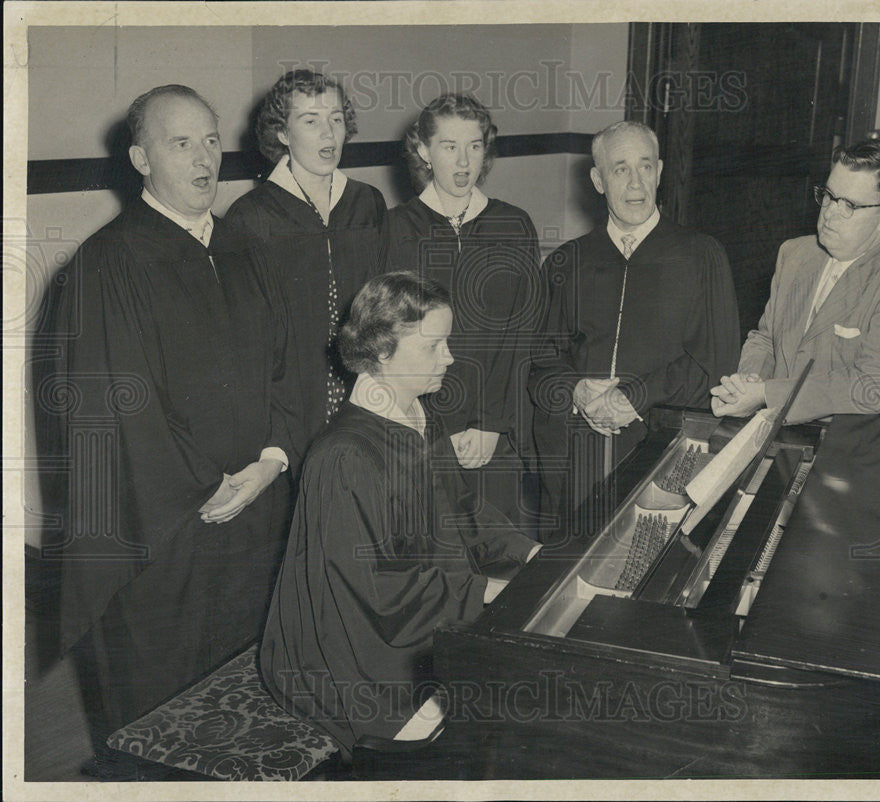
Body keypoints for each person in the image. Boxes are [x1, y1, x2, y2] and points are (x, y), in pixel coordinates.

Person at [35, 85, 300, 775]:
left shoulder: (248, 250)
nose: (203, 156)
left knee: (249, 709)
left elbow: (290, 370)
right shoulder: (105, 267)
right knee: (164, 730)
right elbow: (114, 412)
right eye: (180, 142)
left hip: (258, 520)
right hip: (165, 536)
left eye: (211, 139)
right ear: (140, 159)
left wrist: (273, 458)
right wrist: (209, 488)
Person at [260, 271, 539, 757]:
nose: (449, 357)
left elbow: (466, 510)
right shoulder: (345, 456)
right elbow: (372, 591)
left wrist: (534, 555)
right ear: (383, 352)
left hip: (418, 609)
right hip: (353, 647)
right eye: (435, 346)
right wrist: (485, 590)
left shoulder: (419, 418)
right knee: (477, 733)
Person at [529, 120, 740, 542]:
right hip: (578, 453)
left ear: (660, 172)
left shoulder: (701, 256)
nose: (635, 182)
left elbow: (715, 363)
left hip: (661, 446)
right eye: (620, 169)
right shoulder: (567, 262)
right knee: (570, 575)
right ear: (598, 180)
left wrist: (634, 396)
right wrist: (574, 389)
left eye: (645, 167)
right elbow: (539, 361)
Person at [384, 93, 542, 528]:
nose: (463, 161)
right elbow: (397, 343)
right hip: (423, 432)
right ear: (423, 150)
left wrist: (490, 423)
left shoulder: (515, 225)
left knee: (503, 568)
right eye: (449, 146)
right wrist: (441, 429)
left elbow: (522, 334)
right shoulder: (395, 229)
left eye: (474, 146)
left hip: (498, 432)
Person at [710, 138, 880, 424]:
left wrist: (766, 393)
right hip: (775, 421)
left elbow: (877, 386)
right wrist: (748, 382)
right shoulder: (796, 253)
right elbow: (766, 339)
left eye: (849, 205)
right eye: (830, 196)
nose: (830, 213)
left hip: (852, 443)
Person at [226, 69, 387, 453]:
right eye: (310, 121)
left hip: (365, 399)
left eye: (336, 119)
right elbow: (245, 340)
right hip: (287, 410)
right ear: (282, 133)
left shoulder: (368, 203)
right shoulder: (251, 217)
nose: (328, 134)